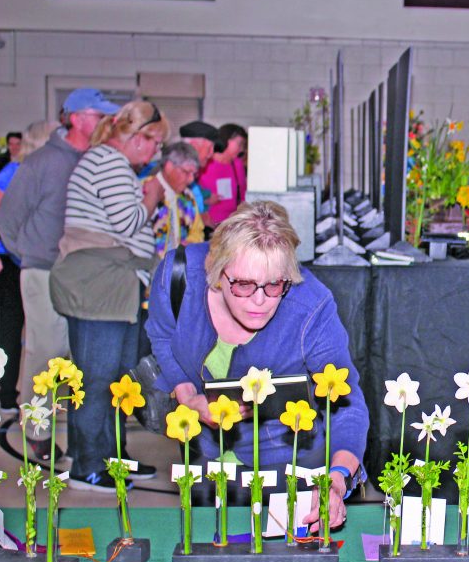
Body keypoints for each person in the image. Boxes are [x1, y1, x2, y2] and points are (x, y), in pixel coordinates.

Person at [146, 201, 369, 529]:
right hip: (205, 459)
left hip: (287, 462)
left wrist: (336, 480)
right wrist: (187, 396)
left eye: (275, 285)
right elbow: (162, 335)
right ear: (217, 273)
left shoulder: (310, 307)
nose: (260, 300)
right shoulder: (178, 276)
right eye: (244, 285)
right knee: (210, 542)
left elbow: (348, 405)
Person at [0, 87, 120, 462]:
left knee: (74, 354)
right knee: (46, 352)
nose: (106, 123)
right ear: (78, 118)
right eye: (100, 116)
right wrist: (32, 255)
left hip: (83, 276)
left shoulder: (96, 160)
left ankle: (70, 432)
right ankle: (37, 430)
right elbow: (8, 219)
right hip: (44, 271)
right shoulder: (42, 162)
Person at [50, 100, 168, 491]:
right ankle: (87, 465)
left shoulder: (111, 163)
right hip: (98, 283)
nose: (156, 152)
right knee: (96, 379)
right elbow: (128, 222)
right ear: (138, 137)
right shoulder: (109, 163)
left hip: (114, 283)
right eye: (155, 143)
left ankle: (112, 455)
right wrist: (151, 197)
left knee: (119, 379)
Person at [0, 121, 58, 420]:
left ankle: (36, 400)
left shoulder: (43, 173)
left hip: (37, 261)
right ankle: (7, 394)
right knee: (12, 329)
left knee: (40, 334)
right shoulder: (11, 173)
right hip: (9, 260)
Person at [149, 142, 205, 259]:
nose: (191, 179)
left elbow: (198, 230)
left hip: (178, 264)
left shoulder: (188, 197)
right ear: (169, 166)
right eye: (186, 172)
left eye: (194, 174)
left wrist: (191, 243)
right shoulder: (147, 190)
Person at [200, 123, 247, 228]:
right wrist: (205, 200)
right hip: (207, 224)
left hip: (230, 224)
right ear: (226, 140)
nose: (241, 149)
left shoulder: (237, 164)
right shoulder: (206, 162)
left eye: (243, 145)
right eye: (239, 144)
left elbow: (242, 195)